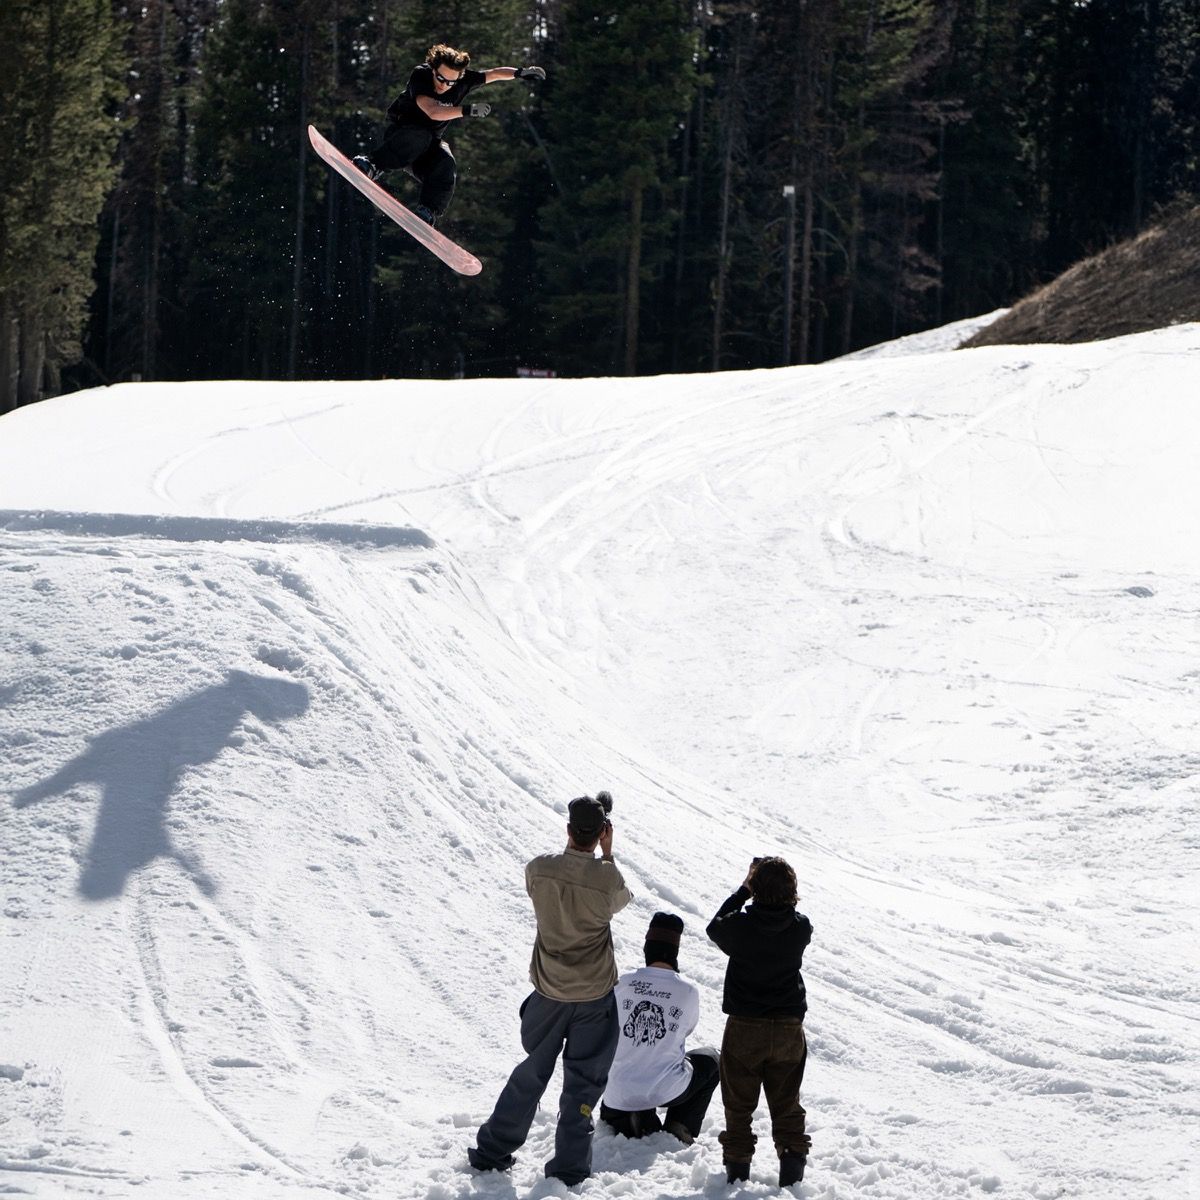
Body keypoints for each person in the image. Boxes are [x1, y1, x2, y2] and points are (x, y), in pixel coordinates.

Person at [469, 791, 631, 1186]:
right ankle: (570, 1169)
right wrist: (606, 855)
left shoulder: (538, 870)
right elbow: (618, 901)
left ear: (569, 829)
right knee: (583, 1085)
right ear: (601, 834)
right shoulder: (607, 878)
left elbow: (546, 882)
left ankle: (493, 1149)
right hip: (593, 999)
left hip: (548, 993)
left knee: (531, 1074)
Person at [706, 857, 813, 1188]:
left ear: (756, 890)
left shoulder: (740, 928)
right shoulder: (800, 928)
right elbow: (792, 919)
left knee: (738, 1109)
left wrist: (742, 891)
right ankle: (792, 1183)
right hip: (787, 1028)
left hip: (744, 1027)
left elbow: (715, 926)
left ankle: (738, 1180)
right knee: (787, 1106)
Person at [353, 43, 545, 226]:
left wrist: (520, 73)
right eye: (441, 78)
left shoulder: (464, 81)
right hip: (402, 137)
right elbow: (432, 111)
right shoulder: (421, 75)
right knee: (421, 135)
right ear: (433, 69)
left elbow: (493, 74)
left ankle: (427, 210)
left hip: (426, 150)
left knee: (446, 163)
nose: (444, 85)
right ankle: (373, 164)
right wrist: (466, 110)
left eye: (451, 82)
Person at [599, 912, 720, 1147]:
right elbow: (685, 1031)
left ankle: (629, 1115)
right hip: (667, 1090)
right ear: (675, 951)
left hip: (616, 1093)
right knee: (712, 1060)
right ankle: (680, 1124)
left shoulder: (621, 983)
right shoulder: (687, 991)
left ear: (648, 948)